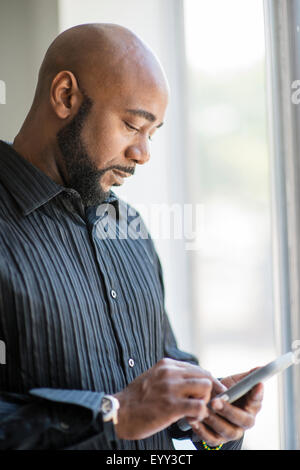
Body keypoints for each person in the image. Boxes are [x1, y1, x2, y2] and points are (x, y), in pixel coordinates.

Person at [0, 23, 263, 450]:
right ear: (66, 96)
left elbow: (162, 364)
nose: (142, 154)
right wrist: (111, 414)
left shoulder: (130, 227)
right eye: (131, 125)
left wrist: (208, 417)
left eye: (152, 134)